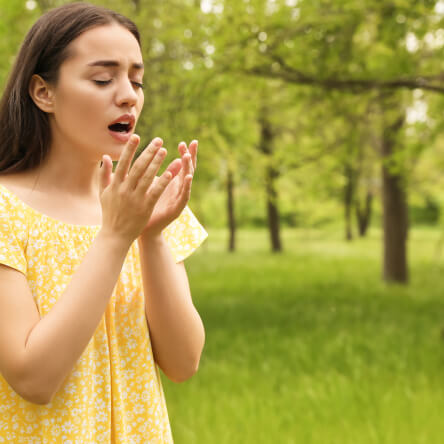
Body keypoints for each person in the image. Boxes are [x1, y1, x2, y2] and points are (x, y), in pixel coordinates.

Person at [0, 3, 207, 443]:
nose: (129, 94)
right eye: (102, 78)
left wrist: (150, 236)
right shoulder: (4, 210)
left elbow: (183, 362)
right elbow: (34, 379)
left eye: (136, 80)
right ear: (44, 93)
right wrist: (117, 236)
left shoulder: (141, 201)